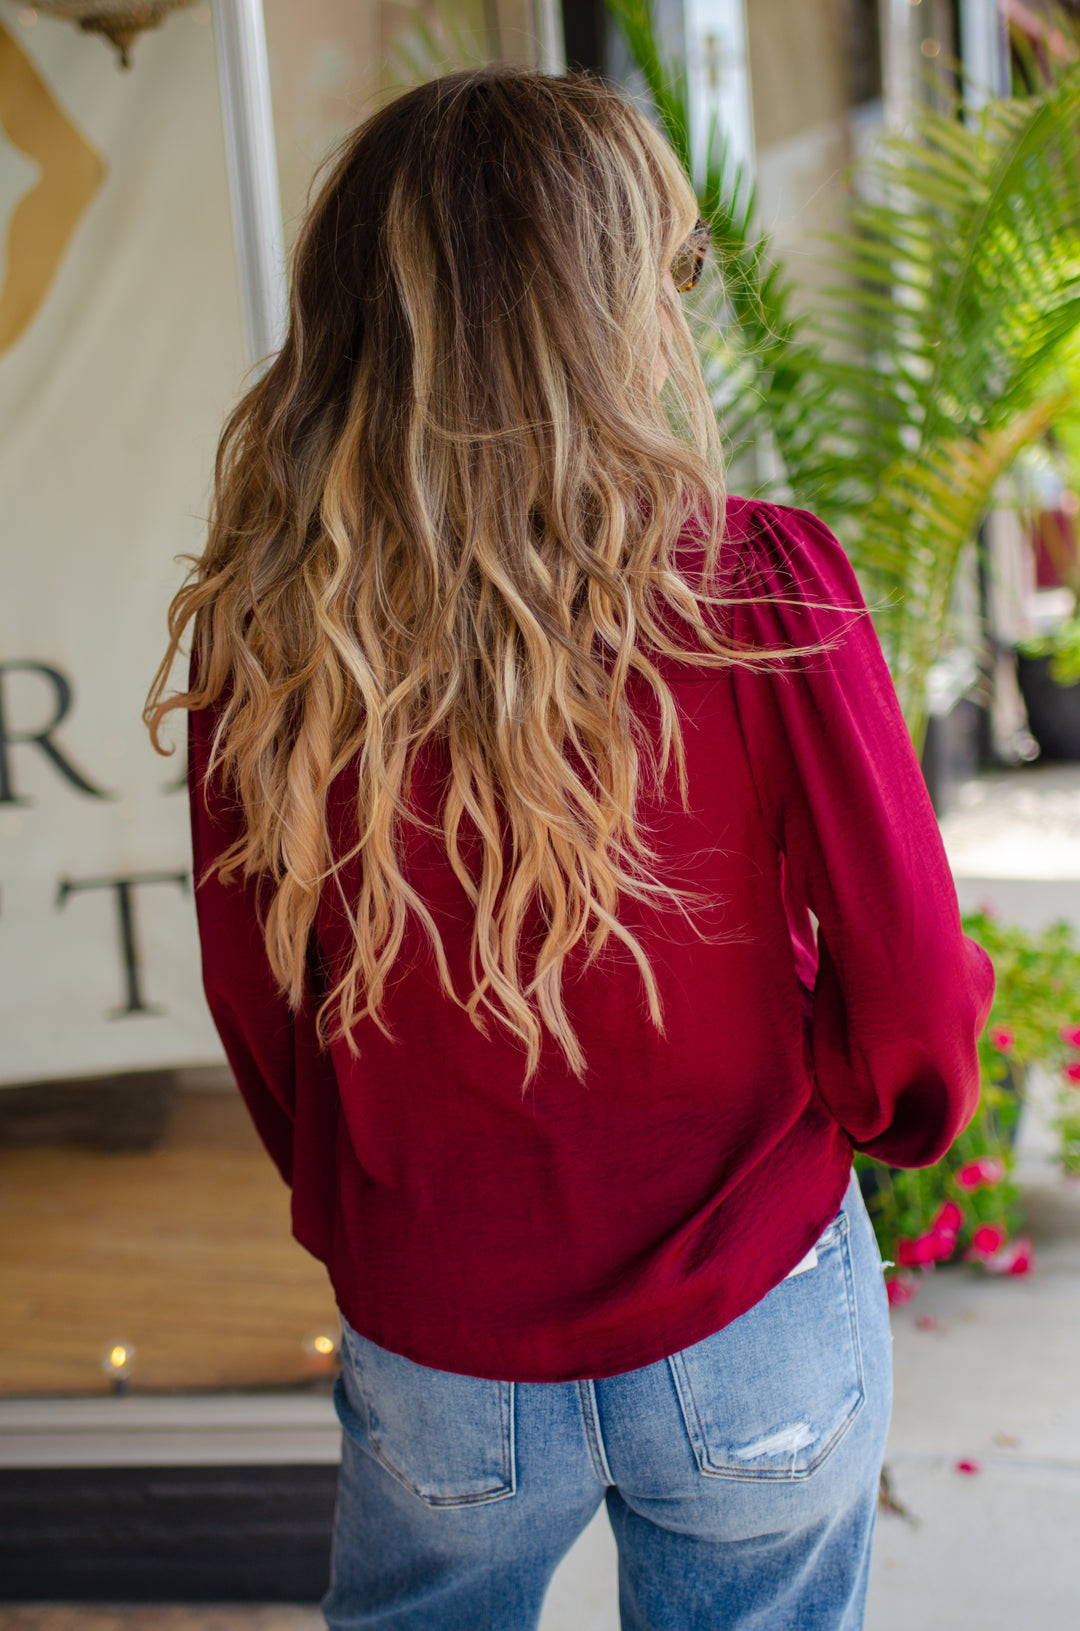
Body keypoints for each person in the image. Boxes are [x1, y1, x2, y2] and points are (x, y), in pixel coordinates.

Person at [147, 66, 994, 1631]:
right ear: (611, 310)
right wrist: (895, 1116)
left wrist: (380, 1212)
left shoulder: (267, 641)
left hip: (441, 1336)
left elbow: (258, 1012)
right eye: (674, 269)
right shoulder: (756, 589)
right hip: (751, 1298)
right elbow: (909, 995)